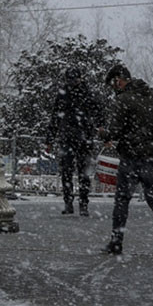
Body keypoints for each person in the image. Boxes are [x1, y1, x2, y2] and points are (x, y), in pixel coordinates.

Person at [100, 64, 153, 256]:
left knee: (122, 200)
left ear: (118, 80)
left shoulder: (124, 100)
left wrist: (104, 132)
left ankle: (116, 242)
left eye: (113, 84)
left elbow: (114, 131)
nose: (114, 88)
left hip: (132, 157)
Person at [48, 67, 100, 216]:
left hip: (75, 137)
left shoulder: (70, 94)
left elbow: (56, 117)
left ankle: (74, 202)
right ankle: (78, 203)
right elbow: (56, 116)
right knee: (75, 172)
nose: (72, 83)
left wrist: (50, 139)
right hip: (79, 137)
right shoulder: (84, 93)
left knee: (72, 172)